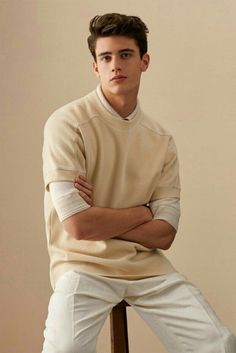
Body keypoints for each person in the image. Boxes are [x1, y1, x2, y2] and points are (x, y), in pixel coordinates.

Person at [42, 13, 236, 353]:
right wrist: (142, 212)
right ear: (95, 67)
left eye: (125, 55)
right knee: (64, 349)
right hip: (82, 266)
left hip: (147, 267)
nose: (115, 65)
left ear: (144, 61)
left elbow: (165, 234)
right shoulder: (66, 124)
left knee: (219, 344)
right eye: (106, 57)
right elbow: (76, 225)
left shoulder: (161, 140)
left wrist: (99, 214)